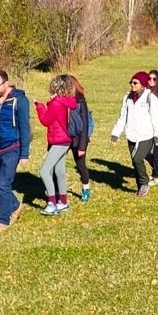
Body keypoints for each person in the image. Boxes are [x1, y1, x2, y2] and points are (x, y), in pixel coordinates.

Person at [0, 69, 32, 231]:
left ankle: (3, 220)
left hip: (12, 148)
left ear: (6, 83)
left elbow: (24, 128)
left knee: (3, 184)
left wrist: (24, 154)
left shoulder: (20, 101)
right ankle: (16, 205)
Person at [34, 73, 92, 213]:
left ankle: (52, 203)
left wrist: (40, 106)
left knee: (44, 171)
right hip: (67, 140)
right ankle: (63, 201)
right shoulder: (69, 101)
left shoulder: (56, 103)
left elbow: (45, 121)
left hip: (58, 140)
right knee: (60, 171)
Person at [109, 72, 158, 196]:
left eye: (135, 83)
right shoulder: (127, 97)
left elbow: (156, 118)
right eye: (131, 82)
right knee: (134, 161)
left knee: (137, 158)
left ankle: (144, 182)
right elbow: (122, 116)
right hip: (131, 134)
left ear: (143, 85)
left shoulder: (150, 98)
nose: (132, 85)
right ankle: (140, 188)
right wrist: (115, 134)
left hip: (146, 135)